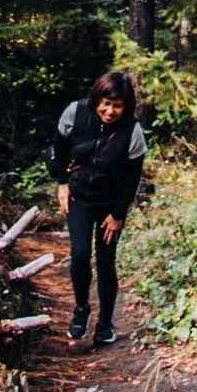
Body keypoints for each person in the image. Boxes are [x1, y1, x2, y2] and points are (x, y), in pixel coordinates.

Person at [47, 69, 145, 348]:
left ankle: (105, 323)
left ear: (126, 106)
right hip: (78, 197)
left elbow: (132, 177)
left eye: (117, 105)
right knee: (79, 254)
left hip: (109, 204)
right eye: (106, 103)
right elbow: (59, 147)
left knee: (105, 262)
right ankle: (81, 310)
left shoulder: (131, 131)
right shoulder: (75, 113)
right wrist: (62, 183)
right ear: (96, 98)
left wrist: (118, 215)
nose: (110, 111)